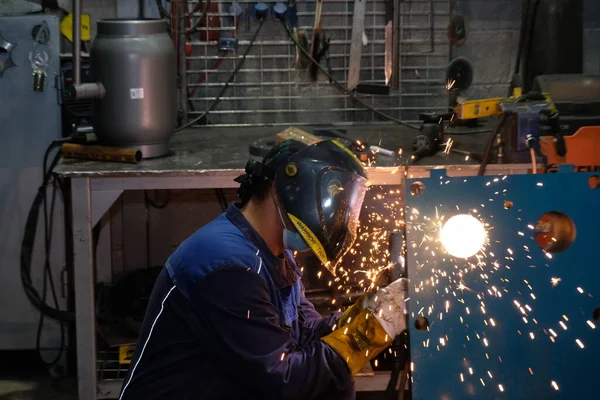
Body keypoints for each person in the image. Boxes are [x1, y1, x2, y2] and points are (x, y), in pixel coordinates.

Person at [118, 139, 408, 400]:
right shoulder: (229, 267)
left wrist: (368, 312)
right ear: (287, 189)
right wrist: (366, 335)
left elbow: (304, 334)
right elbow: (285, 381)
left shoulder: (273, 250)